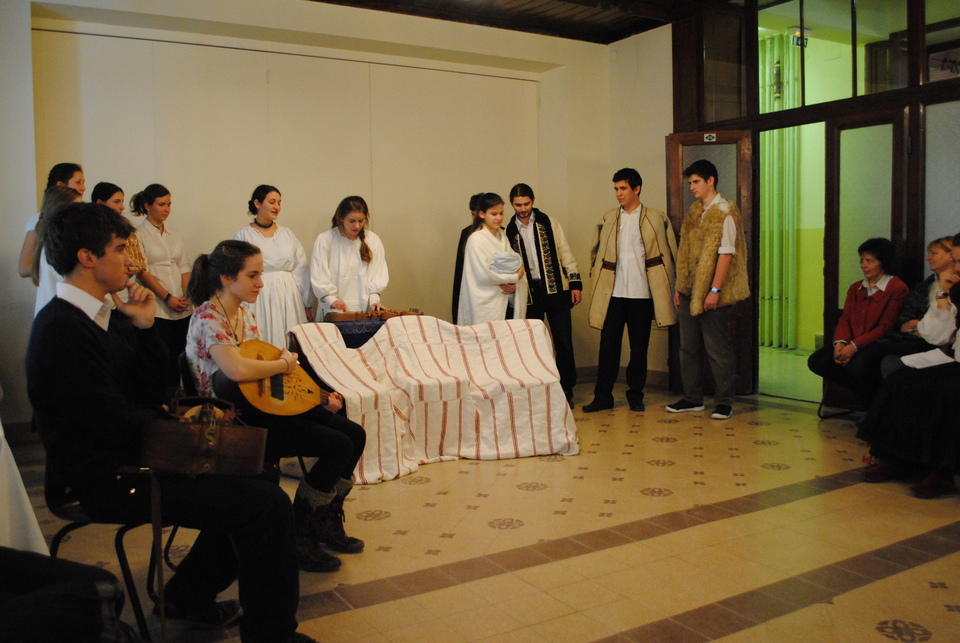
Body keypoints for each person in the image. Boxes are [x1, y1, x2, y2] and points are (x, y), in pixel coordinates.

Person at [26, 201, 321, 643]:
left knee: (258, 474)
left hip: (131, 454)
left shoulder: (101, 317)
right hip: (107, 476)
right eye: (120, 249)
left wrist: (146, 329)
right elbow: (110, 426)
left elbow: (145, 397)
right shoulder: (62, 329)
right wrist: (185, 442)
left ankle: (187, 595)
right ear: (87, 257)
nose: (131, 262)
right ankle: (272, 635)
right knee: (266, 504)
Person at [186, 240, 367, 572]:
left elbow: (262, 375)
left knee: (354, 434)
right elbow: (238, 371)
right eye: (253, 275)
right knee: (337, 444)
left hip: (260, 409)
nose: (261, 283)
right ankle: (301, 530)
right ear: (227, 278)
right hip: (233, 423)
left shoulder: (245, 314)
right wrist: (284, 364)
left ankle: (325, 520)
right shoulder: (208, 317)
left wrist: (315, 396)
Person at [856, 233, 960, 498]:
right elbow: (935, 335)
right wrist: (942, 295)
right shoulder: (954, 287)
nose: (956, 267)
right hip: (953, 358)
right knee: (900, 381)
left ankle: (942, 473)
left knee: (947, 393)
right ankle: (894, 458)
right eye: (956, 261)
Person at [584, 169, 677, 414]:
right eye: (616, 189)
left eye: (623, 188)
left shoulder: (655, 217)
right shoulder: (609, 217)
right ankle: (603, 396)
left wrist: (673, 285)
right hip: (613, 294)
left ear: (636, 189)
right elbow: (596, 252)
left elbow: (669, 253)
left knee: (639, 349)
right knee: (608, 348)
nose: (618, 193)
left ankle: (636, 395)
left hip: (642, 294)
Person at [666, 159, 749, 420]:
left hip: (714, 292)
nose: (692, 187)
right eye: (690, 182)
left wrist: (714, 289)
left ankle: (724, 401)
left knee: (717, 348)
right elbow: (685, 252)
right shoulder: (694, 212)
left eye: (696, 182)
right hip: (690, 289)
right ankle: (692, 398)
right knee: (688, 348)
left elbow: (726, 254)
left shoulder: (725, 212)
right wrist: (680, 286)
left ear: (710, 180)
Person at [806, 237, 908, 407]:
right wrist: (840, 343)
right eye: (862, 260)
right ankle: (869, 397)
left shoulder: (897, 288)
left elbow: (885, 327)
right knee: (817, 361)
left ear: (883, 262)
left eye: (870, 261)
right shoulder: (855, 287)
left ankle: (874, 403)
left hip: (877, 343)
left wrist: (853, 346)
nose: (863, 265)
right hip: (852, 340)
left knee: (858, 368)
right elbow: (845, 319)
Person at [504, 184, 582, 405]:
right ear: (512, 204)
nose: (523, 209)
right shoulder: (509, 231)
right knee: (534, 345)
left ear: (533, 200)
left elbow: (565, 252)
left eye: (526, 204)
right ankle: (539, 390)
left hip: (556, 289)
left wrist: (575, 283)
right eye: (518, 205)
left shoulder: (549, 223)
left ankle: (566, 389)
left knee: (563, 342)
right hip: (529, 294)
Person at [233, 185, 313, 347]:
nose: (277, 207)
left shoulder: (287, 234)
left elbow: (301, 270)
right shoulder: (243, 235)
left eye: (279, 202)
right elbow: (236, 272)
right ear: (257, 203)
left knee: (289, 342)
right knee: (261, 339)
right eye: (272, 202)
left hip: (288, 297)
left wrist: (307, 303)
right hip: (258, 296)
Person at [130, 183, 192, 393]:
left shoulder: (175, 234)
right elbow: (142, 271)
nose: (167, 209)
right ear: (148, 206)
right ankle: (162, 402)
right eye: (161, 204)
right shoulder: (138, 235)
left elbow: (184, 266)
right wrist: (167, 297)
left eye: (169, 204)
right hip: (157, 306)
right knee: (160, 357)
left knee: (181, 355)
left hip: (181, 304)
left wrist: (186, 295)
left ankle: (180, 400)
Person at [310, 196, 389, 320]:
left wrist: (374, 300)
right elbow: (319, 275)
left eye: (361, 221)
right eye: (351, 221)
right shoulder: (325, 240)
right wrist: (331, 299)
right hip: (334, 311)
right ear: (341, 218)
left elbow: (378, 273)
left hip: (364, 309)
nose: (357, 226)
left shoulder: (372, 240)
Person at [457, 192, 526, 325]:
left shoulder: (502, 236)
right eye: (494, 214)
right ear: (482, 214)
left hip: (504, 301)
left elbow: (517, 265)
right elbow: (483, 275)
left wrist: (515, 285)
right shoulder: (476, 239)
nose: (499, 218)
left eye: (501, 213)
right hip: (484, 304)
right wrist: (514, 277)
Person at [19, 162, 85, 279]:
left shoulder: (82, 217)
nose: (83, 188)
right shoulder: (39, 220)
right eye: (78, 182)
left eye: (83, 183)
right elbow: (24, 268)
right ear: (60, 185)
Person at [31, 185, 83, 316]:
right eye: (75, 208)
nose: (81, 213)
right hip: (57, 317)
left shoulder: (52, 242)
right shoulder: (59, 246)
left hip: (54, 315)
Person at [92, 182, 147, 275]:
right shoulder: (91, 230)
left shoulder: (124, 228)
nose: (122, 207)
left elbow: (136, 266)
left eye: (122, 201)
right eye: (116, 202)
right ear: (100, 203)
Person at [451, 193, 483, 323]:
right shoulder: (466, 233)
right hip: (471, 290)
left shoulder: (502, 233)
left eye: (477, 214)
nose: (475, 218)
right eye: (472, 214)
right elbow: (460, 270)